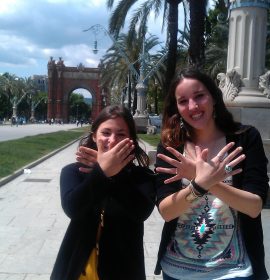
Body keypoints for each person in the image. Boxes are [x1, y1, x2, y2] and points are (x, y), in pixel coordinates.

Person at [154, 68, 269, 280]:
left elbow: (254, 207)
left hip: (235, 271)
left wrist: (204, 179)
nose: (193, 106)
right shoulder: (172, 147)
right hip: (177, 269)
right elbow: (167, 211)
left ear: (214, 97)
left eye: (199, 96)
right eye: (183, 101)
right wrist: (199, 184)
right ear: (176, 107)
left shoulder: (245, 139)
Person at [50, 105, 156, 280]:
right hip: (78, 268)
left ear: (131, 140)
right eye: (106, 133)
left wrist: (114, 174)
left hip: (124, 270)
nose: (112, 140)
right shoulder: (73, 172)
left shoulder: (142, 176)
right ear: (94, 136)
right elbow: (73, 209)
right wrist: (101, 173)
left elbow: (140, 211)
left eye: (121, 134)